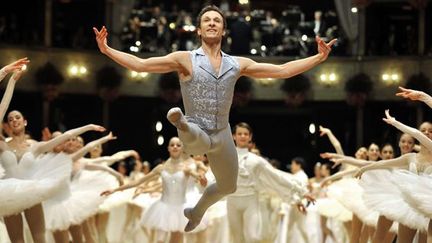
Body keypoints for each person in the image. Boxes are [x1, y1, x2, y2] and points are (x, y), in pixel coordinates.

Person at [93, 5, 336, 231]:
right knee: (198, 139)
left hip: (221, 133)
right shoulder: (185, 59)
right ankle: (180, 122)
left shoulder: (236, 64)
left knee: (228, 186)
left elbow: (281, 71)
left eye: (216, 20)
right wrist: (106, 49)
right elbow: (141, 64)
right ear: (198, 30)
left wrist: (318, 58)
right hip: (195, 131)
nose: (211, 23)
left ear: (223, 29)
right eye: (207, 20)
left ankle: (196, 211)